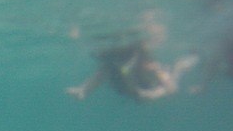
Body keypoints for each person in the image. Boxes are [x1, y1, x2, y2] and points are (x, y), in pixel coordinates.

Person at [67, 41, 198, 102]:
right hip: (132, 86)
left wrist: (152, 94)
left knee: (178, 68)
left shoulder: (152, 67)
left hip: (144, 87)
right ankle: (189, 60)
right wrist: (83, 90)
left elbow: (172, 88)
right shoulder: (118, 65)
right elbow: (100, 75)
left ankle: (192, 59)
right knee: (111, 67)